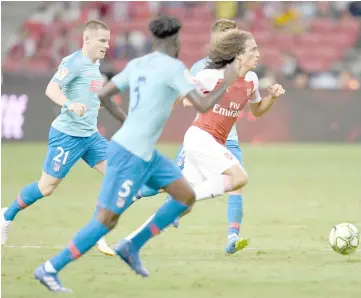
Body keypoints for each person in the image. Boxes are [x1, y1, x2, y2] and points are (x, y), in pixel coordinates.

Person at [33, 16, 241, 293]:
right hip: (129, 153)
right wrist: (226, 82)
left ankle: (131, 245)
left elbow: (105, 95)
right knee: (106, 220)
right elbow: (202, 106)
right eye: (178, 40)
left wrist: (127, 121)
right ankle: (50, 268)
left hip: (144, 152)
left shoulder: (137, 64)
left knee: (185, 195)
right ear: (174, 42)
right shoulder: (174, 68)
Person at [127, 28, 285, 254]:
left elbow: (257, 111)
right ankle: (159, 194)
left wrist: (272, 97)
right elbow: (180, 94)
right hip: (200, 138)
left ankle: (133, 242)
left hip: (214, 142)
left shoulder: (251, 79)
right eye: (253, 49)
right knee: (239, 178)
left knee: (182, 207)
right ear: (239, 54)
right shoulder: (213, 75)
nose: (258, 54)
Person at [0, 20, 116, 256]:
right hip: (67, 136)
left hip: (90, 137)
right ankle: (6, 216)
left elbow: (90, 97)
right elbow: (51, 89)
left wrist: (98, 107)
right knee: (46, 187)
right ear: (87, 40)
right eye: (102, 40)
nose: (107, 44)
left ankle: (98, 233)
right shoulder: (73, 62)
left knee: (116, 175)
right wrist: (70, 104)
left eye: (108, 40)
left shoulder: (96, 66)